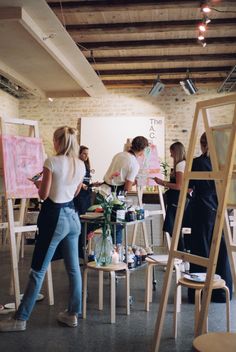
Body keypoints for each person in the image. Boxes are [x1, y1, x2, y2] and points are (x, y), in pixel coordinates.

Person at [0, 126, 85, 332]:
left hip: (55, 218)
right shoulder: (80, 164)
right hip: (73, 217)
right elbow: (74, 193)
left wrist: (37, 183)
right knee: (74, 269)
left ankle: (21, 318)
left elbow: (44, 195)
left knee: (38, 269)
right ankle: (72, 314)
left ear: (57, 142)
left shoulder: (51, 161)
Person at [188, 132, 232, 303]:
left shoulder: (198, 162)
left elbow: (190, 186)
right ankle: (221, 292)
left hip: (203, 210)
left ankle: (200, 292)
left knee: (201, 250)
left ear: (203, 144)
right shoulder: (225, 163)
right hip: (221, 209)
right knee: (221, 251)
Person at [103, 136, 149, 244]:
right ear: (142, 150)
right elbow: (127, 188)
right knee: (117, 226)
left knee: (101, 224)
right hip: (116, 195)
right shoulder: (134, 163)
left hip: (104, 191)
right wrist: (134, 182)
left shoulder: (119, 155)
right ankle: (116, 253)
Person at [153, 141, 188, 251]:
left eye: (172, 152)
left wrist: (162, 182)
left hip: (176, 200)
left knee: (174, 228)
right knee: (177, 227)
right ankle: (182, 256)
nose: (171, 155)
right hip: (179, 199)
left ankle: (181, 256)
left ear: (176, 152)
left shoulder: (180, 165)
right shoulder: (184, 164)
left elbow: (179, 185)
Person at [73, 145, 100, 258]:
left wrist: (94, 184)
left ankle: (83, 247)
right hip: (78, 198)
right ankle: (79, 250)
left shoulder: (86, 166)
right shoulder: (75, 165)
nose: (86, 156)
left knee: (88, 223)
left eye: (87, 154)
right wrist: (81, 185)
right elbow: (75, 182)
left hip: (87, 197)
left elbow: (87, 184)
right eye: (84, 153)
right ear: (78, 153)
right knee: (81, 222)